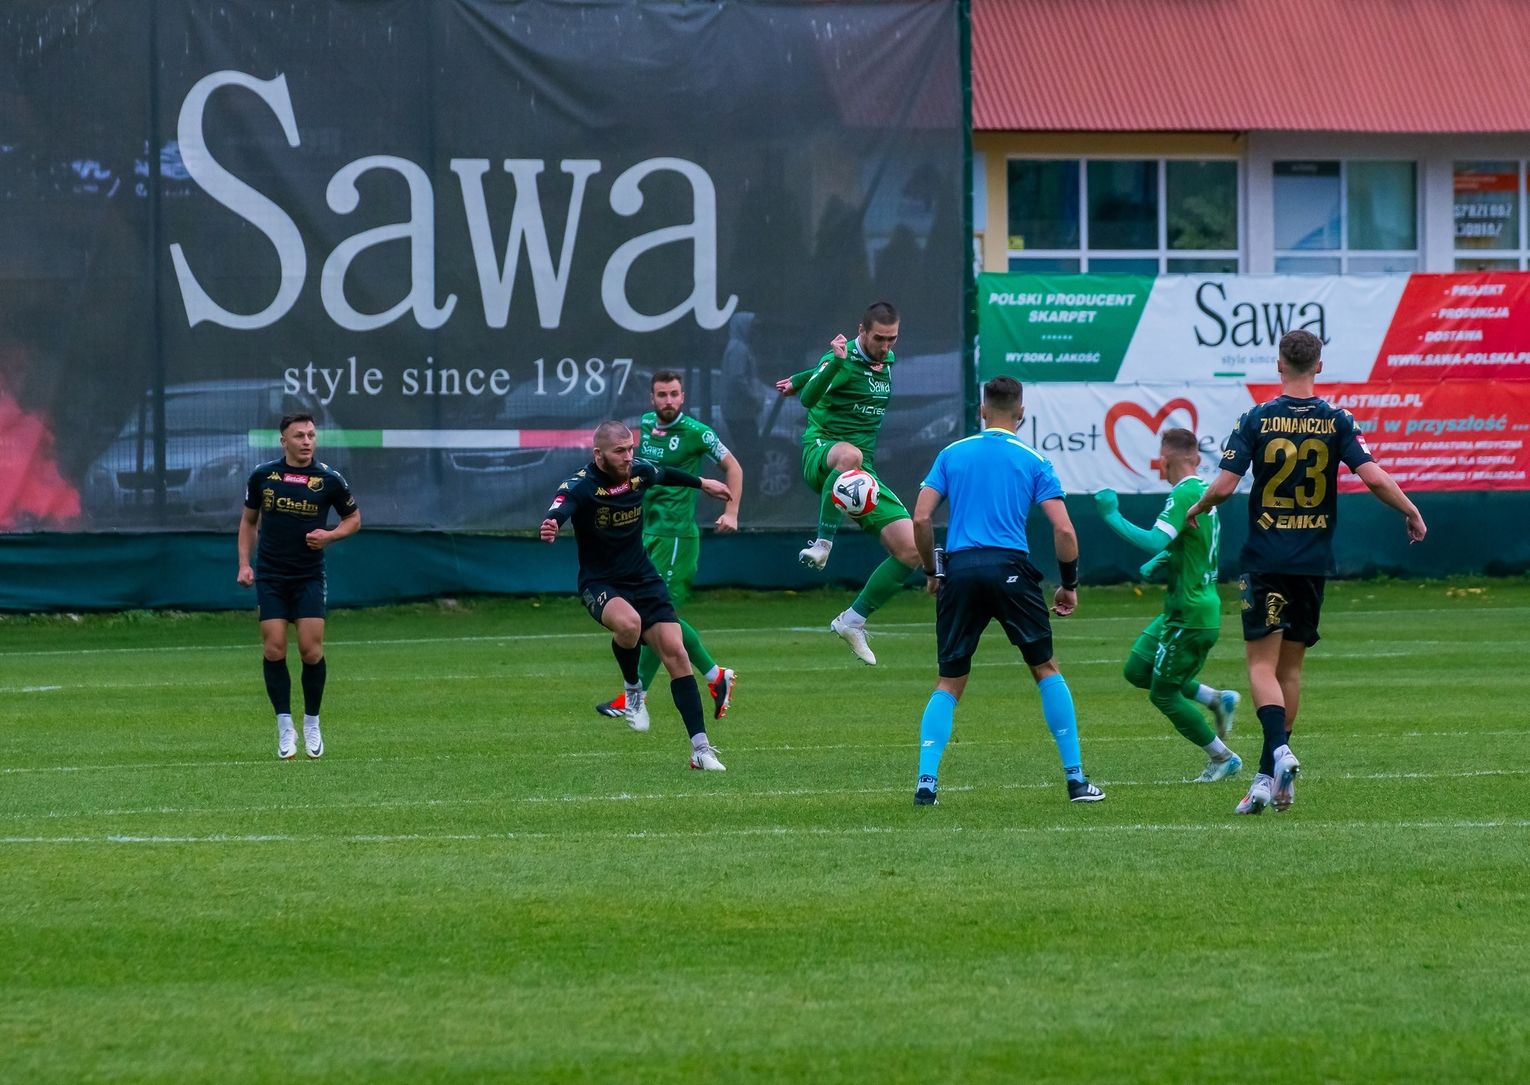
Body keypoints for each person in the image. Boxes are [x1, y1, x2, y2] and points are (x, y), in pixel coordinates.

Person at [1185, 330, 1426, 814]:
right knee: (1290, 669)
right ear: (1319, 365)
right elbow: (1373, 476)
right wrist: (1411, 510)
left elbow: (1225, 486)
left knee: (1260, 666)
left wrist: (1198, 507)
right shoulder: (1338, 420)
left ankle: (1278, 752)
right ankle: (1265, 779)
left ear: (1279, 364)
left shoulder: (1255, 418)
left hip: (1266, 560)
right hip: (1312, 562)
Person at [909, 375, 1104, 806]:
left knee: (949, 681)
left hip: (960, 569)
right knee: (1045, 668)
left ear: (982, 411)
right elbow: (1064, 530)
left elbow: (920, 519)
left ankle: (926, 784)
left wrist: (931, 570)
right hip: (1011, 569)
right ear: (1021, 413)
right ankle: (1076, 781)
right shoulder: (1034, 460)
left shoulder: (952, 453)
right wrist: (1068, 585)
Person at [542, 420, 733, 771]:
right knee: (629, 625)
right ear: (598, 454)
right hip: (601, 582)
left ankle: (701, 749)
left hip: (643, 578)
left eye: (631, 448)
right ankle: (633, 690)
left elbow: (666, 473)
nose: (629, 456)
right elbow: (562, 504)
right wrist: (552, 522)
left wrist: (703, 483)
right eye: (620, 451)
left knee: (676, 651)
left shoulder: (639, 471)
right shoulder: (581, 485)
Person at [775, 301, 920, 666]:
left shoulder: (886, 360)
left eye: (892, 339)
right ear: (861, 331)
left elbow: (818, 375)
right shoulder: (839, 358)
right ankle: (822, 543)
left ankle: (852, 620)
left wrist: (798, 377)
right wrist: (824, 371)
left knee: (911, 549)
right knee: (850, 456)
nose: (885, 346)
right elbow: (810, 399)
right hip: (823, 452)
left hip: (861, 471)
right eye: (879, 338)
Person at [1094, 428, 1242, 783]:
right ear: (1196, 456)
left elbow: (1154, 540)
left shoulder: (1185, 493)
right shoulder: (1202, 490)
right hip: (1181, 608)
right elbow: (1192, 543)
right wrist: (1163, 559)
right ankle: (1216, 699)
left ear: (1164, 460)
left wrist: (1111, 515)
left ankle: (1223, 757)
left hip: (1190, 613)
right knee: (1137, 670)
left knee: (1163, 694)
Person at [594, 370, 742, 721]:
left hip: (676, 537)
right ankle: (716, 676)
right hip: (647, 533)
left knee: (657, 617)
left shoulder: (697, 432)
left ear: (683, 396)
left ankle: (637, 696)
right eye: (662, 394)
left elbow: (733, 467)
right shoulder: (646, 425)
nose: (668, 401)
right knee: (652, 617)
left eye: (674, 394)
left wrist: (732, 512)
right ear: (652, 398)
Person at [237, 413, 360, 760]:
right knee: (274, 649)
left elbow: (353, 518)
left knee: (310, 651)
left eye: (311, 435)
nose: (306, 441)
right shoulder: (263, 476)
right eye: (299, 436)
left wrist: (331, 535)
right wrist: (245, 564)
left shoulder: (329, 479)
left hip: (308, 575)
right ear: (284, 441)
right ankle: (284, 726)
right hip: (271, 576)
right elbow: (248, 522)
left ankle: (312, 723)